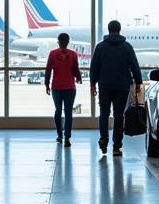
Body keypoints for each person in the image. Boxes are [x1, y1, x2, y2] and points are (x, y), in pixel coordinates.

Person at [89, 20, 143, 156]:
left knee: (104, 114)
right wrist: (138, 83)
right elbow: (135, 67)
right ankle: (116, 147)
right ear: (119, 30)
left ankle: (104, 139)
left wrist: (92, 84)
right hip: (122, 86)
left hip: (105, 86)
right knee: (119, 116)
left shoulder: (100, 47)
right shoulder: (127, 47)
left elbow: (94, 67)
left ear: (108, 30)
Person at [45, 33, 82, 147]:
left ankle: (60, 135)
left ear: (58, 42)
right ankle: (67, 138)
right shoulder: (73, 54)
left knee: (58, 111)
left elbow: (48, 70)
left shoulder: (52, 54)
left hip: (57, 87)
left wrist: (47, 84)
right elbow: (75, 68)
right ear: (68, 42)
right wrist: (79, 78)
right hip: (70, 87)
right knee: (68, 112)